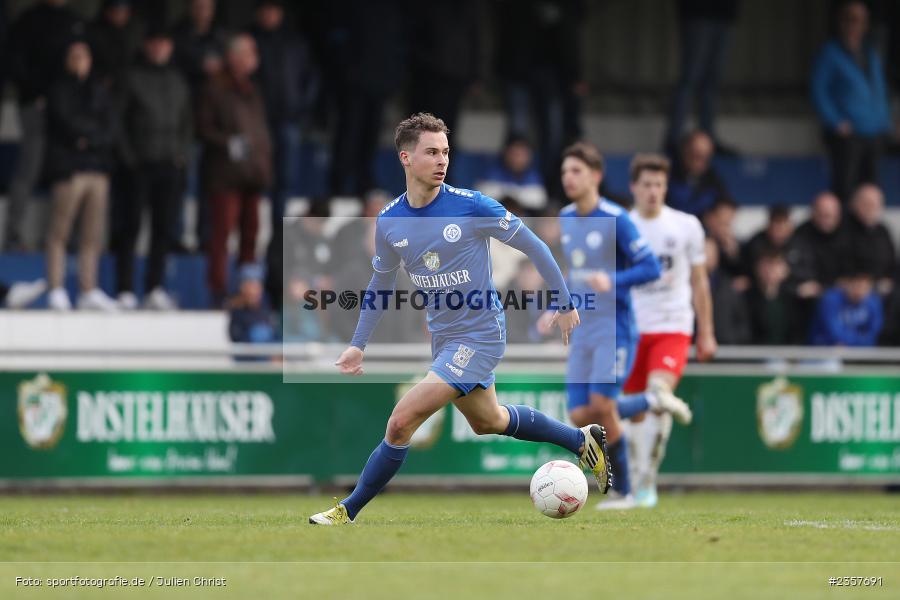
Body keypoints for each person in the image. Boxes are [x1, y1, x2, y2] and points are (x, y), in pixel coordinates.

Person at [308, 113, 611, 525]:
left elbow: (535, 244)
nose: (441, 160)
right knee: (490, 420)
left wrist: (563, 300)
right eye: (431, 152)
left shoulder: (471, 206)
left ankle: (348, 511)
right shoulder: (390, 221)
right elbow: (380, 286)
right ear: (405, 158)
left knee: (400, 422)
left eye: (446, 152)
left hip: (481, 335)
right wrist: (358, 343)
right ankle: (580, 440)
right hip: (445, 338)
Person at [549, 142, 665, 511]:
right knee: (580, 415)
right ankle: (649, 401)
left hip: (614, 326)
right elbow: (574, 270)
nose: (569, 178)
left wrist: (612, 279)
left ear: (595, 176)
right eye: (565, 171)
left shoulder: (617, 218)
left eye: (576, 171)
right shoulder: (566, 217)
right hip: (582, 327)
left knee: (602, 405)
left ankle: (624, 491)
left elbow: (652, 268)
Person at [619, 153, 715, 509]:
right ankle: (632, 478)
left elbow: (700, 282)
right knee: (631, 410)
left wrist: (706, 331)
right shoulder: (620, 226)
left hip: (673, 326)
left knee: (658, 396)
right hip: (631, 329)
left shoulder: (686, 226)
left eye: (659, 184)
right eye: (646, 184)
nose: (653, 191)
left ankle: (647, 483)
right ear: (634, 187)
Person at [115, 27, 192, 310]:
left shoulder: (177, 79)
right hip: (139, 165)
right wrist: (129, 158)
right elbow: (119, 121)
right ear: (147, 45)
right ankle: (124, 288)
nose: (160, 48)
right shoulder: (132, 77)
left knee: (163, 228)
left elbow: (187, 122)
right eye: (155, 42)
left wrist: (182, 154)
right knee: (131, 226)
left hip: (169, 164)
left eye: (164, 42)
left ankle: (154, 287)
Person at [197, 33, 272, 307]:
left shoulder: (252, 90)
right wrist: (229, 143)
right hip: (225, 175)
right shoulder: (215, 88)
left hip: (252, 175)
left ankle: (247, 291)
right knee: (221, 234)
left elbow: (259, 134)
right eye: (250, 53)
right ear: (234, 57)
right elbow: (203, 129)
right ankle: (218, 293)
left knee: (251, 235)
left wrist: (263, 165)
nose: (255, 59)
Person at [4, 0, 84, 251]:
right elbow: (13, 60)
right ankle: (13, 235)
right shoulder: (29, 20)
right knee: (30, 166)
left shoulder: (74, 20)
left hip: (67, 106)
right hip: (36, 105)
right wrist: (34, 92)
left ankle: (64, 239)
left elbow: (84, 60)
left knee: (68, 170)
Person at [44, 40, 118, 311]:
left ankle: (88, 289)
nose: (79, 61)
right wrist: (87, 134)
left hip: (97, 170)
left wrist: (89, 139)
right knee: (59, 232)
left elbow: (110, 128)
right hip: (70, 170)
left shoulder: (100, 90)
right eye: (73, 55)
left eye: (83, 55)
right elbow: (66, 122)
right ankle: (57, 287)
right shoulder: (59, 89)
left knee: (92, 235)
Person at [811, 0, 892, 203]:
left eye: (860, 20)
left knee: (872, 190)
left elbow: (878, 90)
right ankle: (844, 233)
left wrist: (886, 121)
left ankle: (866, 234)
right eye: (850, 19)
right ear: (841, 22)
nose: (855, 25)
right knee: (845, 188)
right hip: (849, 133)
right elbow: (818, 90)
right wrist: (835, 121)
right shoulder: (830, 53)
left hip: (874, 131)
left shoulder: (870, 52)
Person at [250, 0, 317, 232]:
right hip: (256, 124)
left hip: (288, 120)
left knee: (285, 180)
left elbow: (310, 78)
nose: (269, 14)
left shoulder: (295, 42)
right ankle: (253, 231)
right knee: (253, 179)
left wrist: (300, 108)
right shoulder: (251, 41)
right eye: (265, 10)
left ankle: (279, 231)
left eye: (273, 10)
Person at [664, 0, 740, 154]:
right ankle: (674, 139)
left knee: (712, 81)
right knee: (690, 78)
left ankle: (706, 140)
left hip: (724, 13)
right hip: (698, 11)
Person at [842, 183, 896, 296]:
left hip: (884, 286)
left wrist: (890, 280)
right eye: (866, 204)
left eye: (874, 204)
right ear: (854, 205)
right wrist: (862, 283)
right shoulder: (843, 230)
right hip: (854, 288)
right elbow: (842, 263)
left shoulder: (883, 230)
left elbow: (893, 262)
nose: (870, 208)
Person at [666, 130, 733, 218]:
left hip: (702, 228)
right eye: (697, 156)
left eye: (706, 157)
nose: (701, 162)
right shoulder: (668, 175)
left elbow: (726, 201)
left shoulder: (711, 175)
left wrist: (722, 212)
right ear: (685, 151)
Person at [809, 268, 883, 346]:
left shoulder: (874, 302)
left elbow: (872, 333)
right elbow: (833, 332)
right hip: (825, 347)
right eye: (857, 286)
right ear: (847, 284)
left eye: (865, 287)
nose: (860, 291)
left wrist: (852, 344)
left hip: (860, 349)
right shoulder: (831, 299)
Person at [476, 135, 548, 212]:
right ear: (506, 154)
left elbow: (540, 201)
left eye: (523, 155)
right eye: (515, 154)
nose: (518, 159)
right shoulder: (493, 173)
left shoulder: (533, 176)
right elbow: (481, 198)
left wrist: (511, 195)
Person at [743, 250, 796, 344]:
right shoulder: (746, 299)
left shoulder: (792, 300)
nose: (770, 271)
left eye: (775, 265)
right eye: (766, 265)